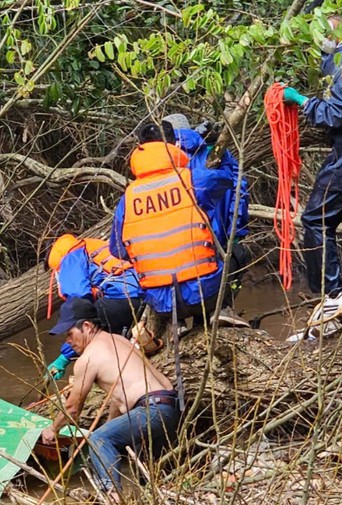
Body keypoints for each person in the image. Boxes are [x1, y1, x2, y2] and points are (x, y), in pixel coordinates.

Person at [40, 297, 180, 499]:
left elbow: (72, 409)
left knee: (98, 439)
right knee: (146, 475)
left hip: (150, 410)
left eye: (69, 334)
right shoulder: (119, 340)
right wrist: (110, 425)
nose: (67, 341)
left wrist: (52, 429)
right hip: (169, 406)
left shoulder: (87, 359)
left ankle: (113, 499)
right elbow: (121, 396)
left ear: (87, 326)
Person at [109, 122, 234, 335]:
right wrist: (212, 149)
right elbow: (228, 180)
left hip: (162, 303)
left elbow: (117, 250)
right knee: (233, 250)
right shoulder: (192, 179)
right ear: (175, 143)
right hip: (205, 293)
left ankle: (176, 324)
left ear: (140, 148)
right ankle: (221, 310)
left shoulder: (128, 199)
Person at [282, 14, 342, 340]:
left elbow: (338, 113)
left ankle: (333, 298)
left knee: (316, 219)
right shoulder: (336, 55)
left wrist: (300, 101)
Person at [163, 113, 251, 327]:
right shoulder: (214, 151)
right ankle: (219, 310)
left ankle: (178, 321)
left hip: (178, 247)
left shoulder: (165, 161)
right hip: (215, 235)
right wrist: (236, 229)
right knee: (235, 257)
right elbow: (239, 187)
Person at [45, 234, 147, 380]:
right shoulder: (93, 246)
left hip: (122, 303)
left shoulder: (69, 258)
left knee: (86, 319)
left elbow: (79, 304)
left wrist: (64, 357)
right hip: (144, 295)